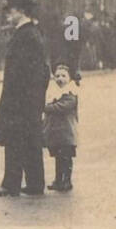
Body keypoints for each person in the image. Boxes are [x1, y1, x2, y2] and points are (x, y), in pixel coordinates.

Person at [0, 0, 49, 198]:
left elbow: (29, 72)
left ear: (21, 11)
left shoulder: (26, 35)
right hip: (28, 99)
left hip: (20, 99)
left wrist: (23, 99)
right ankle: (35, 183)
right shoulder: (31, 33)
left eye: (11, 10)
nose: (7, 15)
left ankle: (10, 184)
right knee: (31, 140)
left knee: (14, 140)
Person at [43, 62, 79, 192]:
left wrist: (46, 108)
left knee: (66, 158)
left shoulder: (71, 93)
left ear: (69, 78)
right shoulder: (54, 93)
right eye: (57, 76)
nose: (60, 79)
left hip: (67, 133)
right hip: (57, 134)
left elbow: (62, 107)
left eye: (63, 76)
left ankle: (67, 181)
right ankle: (58, 180)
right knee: (58, 158)